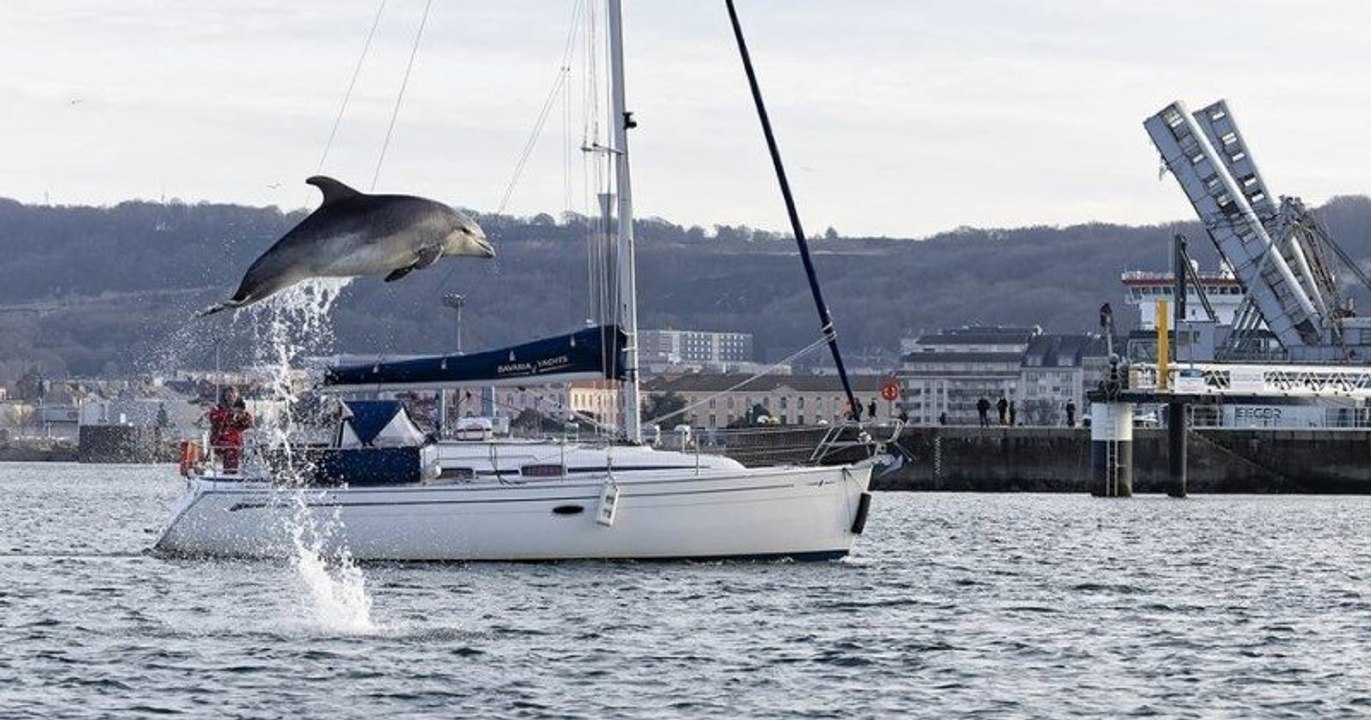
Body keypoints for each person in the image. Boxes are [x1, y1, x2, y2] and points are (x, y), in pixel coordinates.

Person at [208, 386, 253, 473]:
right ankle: (230, 472)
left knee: (251, 450)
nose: (231, 398)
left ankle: (248, 471)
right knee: (230, 450)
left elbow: (248, 423)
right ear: (224, 397)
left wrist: (241, 417)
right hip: (221, 440)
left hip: (237, 441)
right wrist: (229, 414)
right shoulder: (218, 409)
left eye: (233, 396)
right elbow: (215, 419)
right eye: (228, 396)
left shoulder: (241, 410)